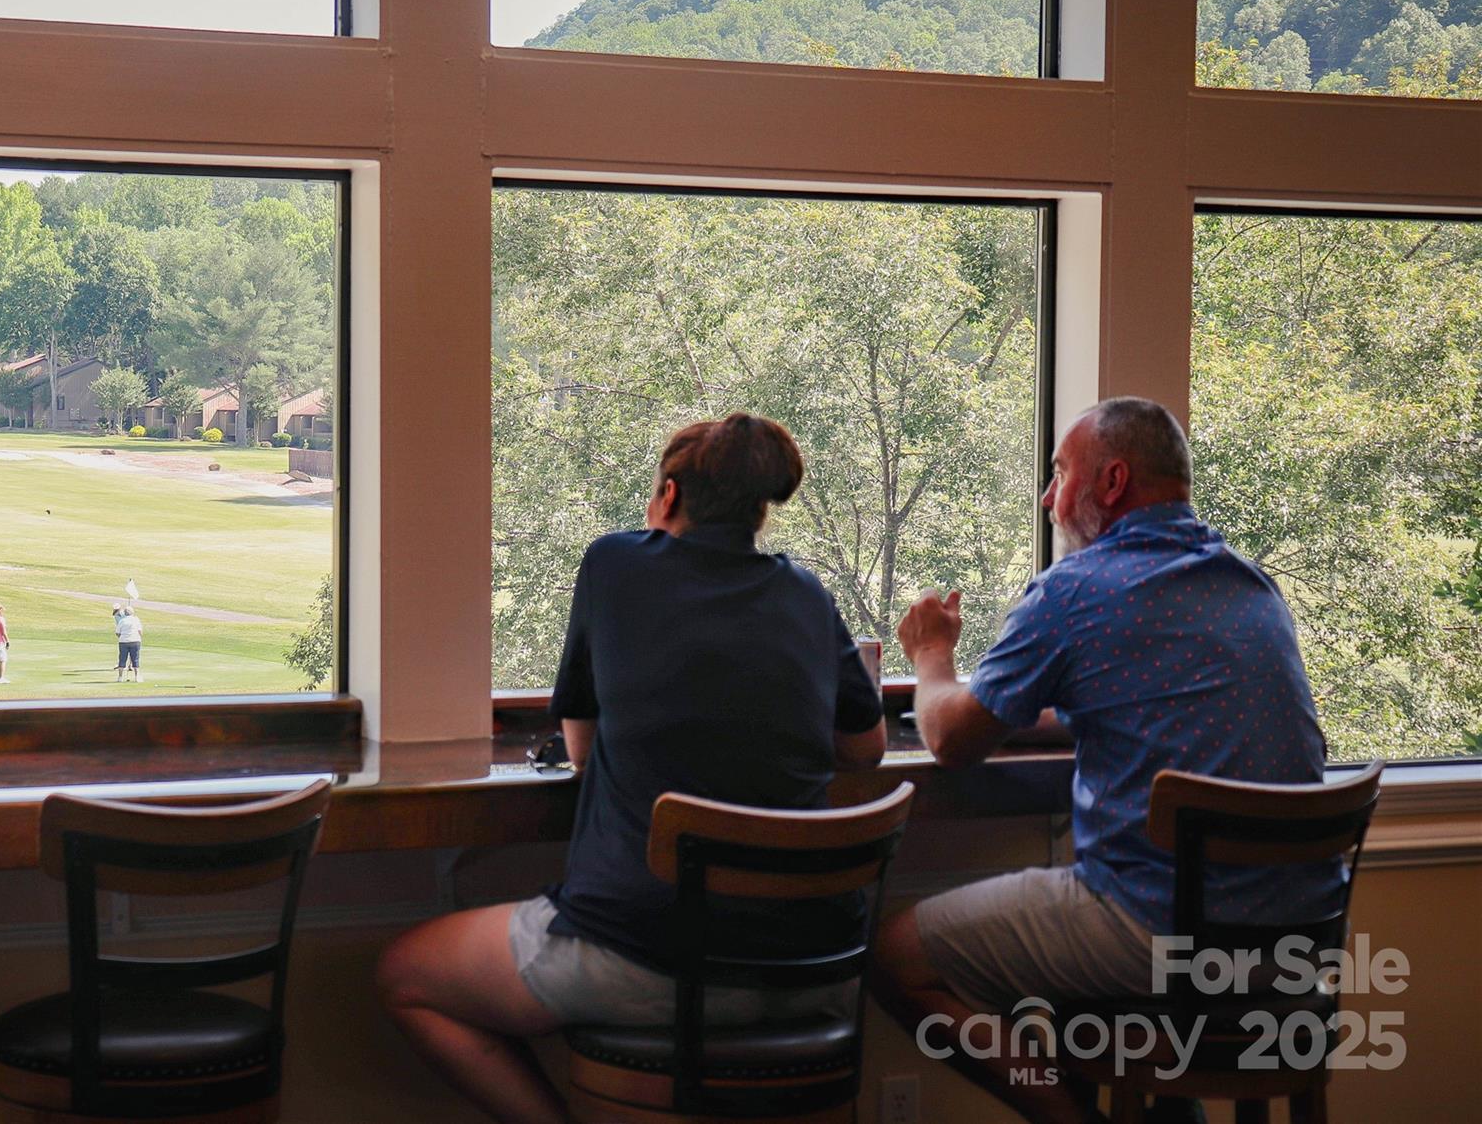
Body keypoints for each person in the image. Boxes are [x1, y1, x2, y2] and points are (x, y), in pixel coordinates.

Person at [376, 413, 886, 1124]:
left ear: (668, 496)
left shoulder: (616, 565)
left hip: (649, 960)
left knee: (406, 973)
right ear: (760, 509)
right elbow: (865, 750)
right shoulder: (807, 595)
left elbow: (582, 753)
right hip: (819, 963)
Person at [872, 397, 1337, 1124]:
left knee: (896, 953)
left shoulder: (1075, 590)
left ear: (1112, 482)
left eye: (1060, 474)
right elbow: (1147, 702)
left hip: (1164, 940)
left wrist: (932, 653)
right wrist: (1031, 714)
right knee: (1077, 970)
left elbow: (951, 742)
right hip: (1299, 944)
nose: (1050, 497)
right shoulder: (1250, 584)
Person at [114, 605, 144, 681]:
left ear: (125, 613)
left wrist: (122, 637)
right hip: (135, 641)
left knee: (122, 659)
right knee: (135, 659)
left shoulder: (122, 621)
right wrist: (139, 637)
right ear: (132, 612)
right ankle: (137, 677)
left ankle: (120, 678)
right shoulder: (136, 620)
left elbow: (117, 632)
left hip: (123, 641)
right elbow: (140, 631)